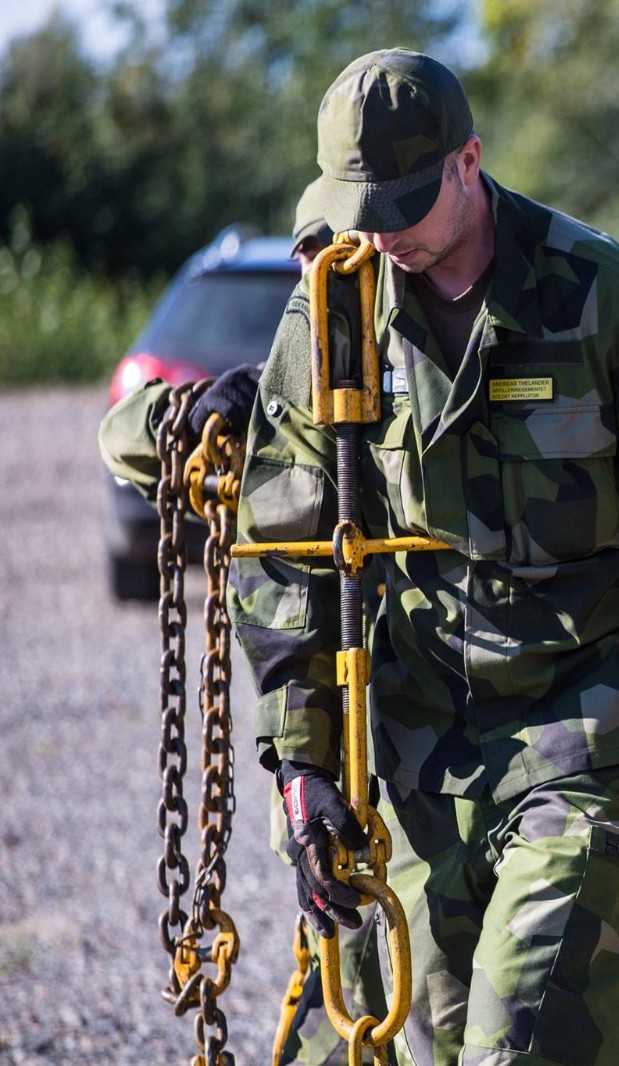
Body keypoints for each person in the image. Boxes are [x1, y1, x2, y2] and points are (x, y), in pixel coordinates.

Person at [227, 48, 619, 1065]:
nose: (383, 234)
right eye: (360, 208)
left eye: (406, 204)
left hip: (586, 728)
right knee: (438, 1036)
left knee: (529, 1038)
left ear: (470, 161)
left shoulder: (602, 298)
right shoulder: (332, 304)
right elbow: (285, 546)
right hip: (412, 748)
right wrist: (303, 762)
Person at [99, 175, 394, 1066]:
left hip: (431, 748)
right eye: (315, 264)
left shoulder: (423, 375)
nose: (327, 283)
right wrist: (211, 403)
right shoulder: (288, 388)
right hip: (328, 765)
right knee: (342, 977)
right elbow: (123, 438)